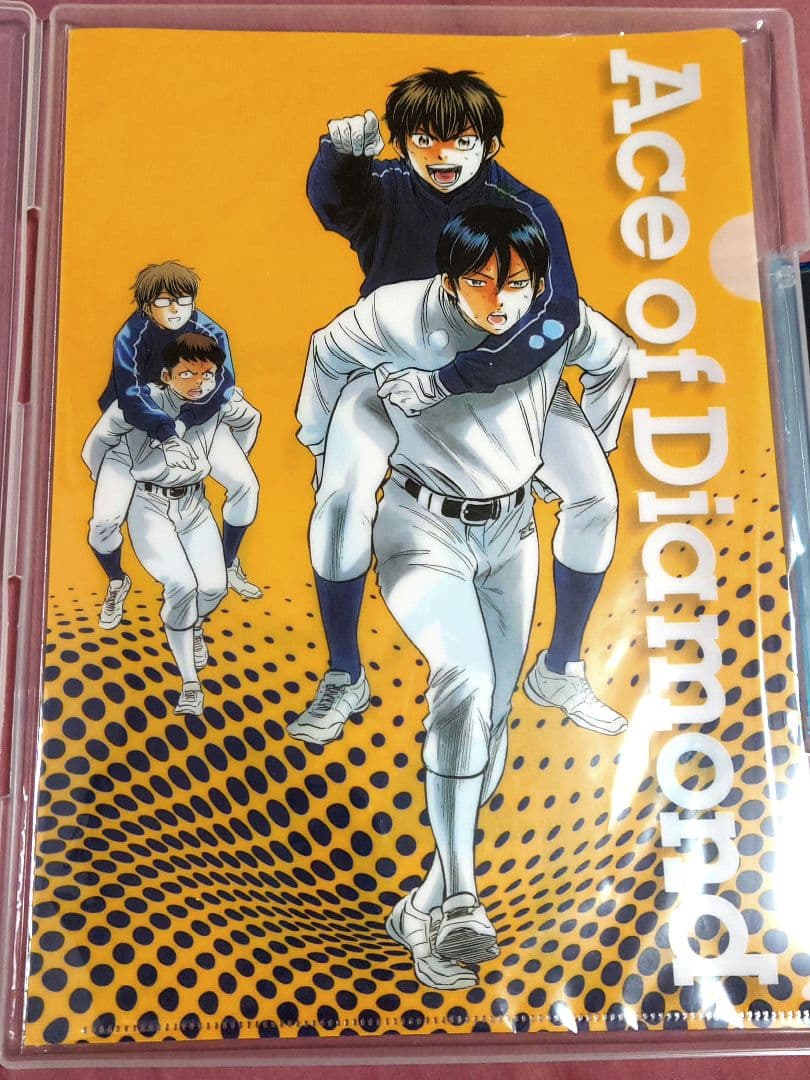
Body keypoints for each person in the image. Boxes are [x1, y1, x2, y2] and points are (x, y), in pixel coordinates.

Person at [294, 206, 635, 986]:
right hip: (422, 529)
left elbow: (617, 358)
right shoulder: (397, 314)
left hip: (511, 533)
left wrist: (587, 440)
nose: (497, 300)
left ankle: (423, 906)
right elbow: (324, 352)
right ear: (450, 280)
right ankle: (461, 903)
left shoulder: (554, 321)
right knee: (465, 683)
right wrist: (319, 439)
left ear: (538, 282)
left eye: (514, 284)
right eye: (479, 282)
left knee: (491, 716)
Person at [301, 67, 623, 734]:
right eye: (424, 139)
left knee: (597, 497)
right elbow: (334, 205)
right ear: (402, 143)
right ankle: (343, 675)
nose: (442, 155)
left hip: (503, 375)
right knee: (339, 503)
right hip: (393, 375)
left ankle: (560, 669)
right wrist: (338, 154)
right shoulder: (388, 189)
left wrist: (465, 382)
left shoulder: (528, 210)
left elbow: (558, 316)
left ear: (490, 145)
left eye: (462, 140)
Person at [83, 332, 261, 715]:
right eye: (187, 374)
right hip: (149, 505)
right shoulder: (141, 402)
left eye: (208, 375)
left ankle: (192, 626)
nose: (199, 383)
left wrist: (221, 456)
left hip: (195, 505)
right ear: (166, 375)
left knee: (213, 588)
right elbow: (96, 444)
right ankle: (190, 683)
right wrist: (116, 483)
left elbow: (250, 420)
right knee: (182, 585)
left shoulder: (217, 402)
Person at [90, 261, 262, 631]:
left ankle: (226, 563)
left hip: (195, 418)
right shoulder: (131, 335)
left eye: (183, 300)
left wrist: (183, 427)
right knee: (103, 523)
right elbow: (130, 396)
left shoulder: (210, 330)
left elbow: (222, 389)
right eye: (165, 301)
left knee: (246, 486)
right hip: (139, 427)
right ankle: (117, 581)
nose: (175, 309)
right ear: (146, 305)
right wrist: (167, 435)